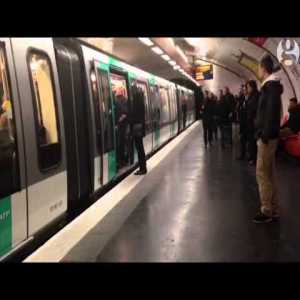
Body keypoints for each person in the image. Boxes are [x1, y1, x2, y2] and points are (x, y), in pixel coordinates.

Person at [253, 55, 283, 224]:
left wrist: (263, 135)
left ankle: (266, 210)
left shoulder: (270, 87)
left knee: (262, 173)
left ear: (264, 69)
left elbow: (271, 113)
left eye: (259, 68)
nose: (258, 71)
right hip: (270, 136)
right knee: (270, 173)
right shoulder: (272, 87)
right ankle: (274, 208)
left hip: (267, 138)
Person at [131, 86, 147, 175]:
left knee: (140, 149)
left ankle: (142, 169)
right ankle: (142, 168)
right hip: (140, 128)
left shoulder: (137, 102)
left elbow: (135, 116)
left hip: (137, 129)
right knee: (141, 149)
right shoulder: (141, 101)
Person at [246, 80, 260, 165]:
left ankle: (254, 158)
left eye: (248, 87)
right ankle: (252, 157)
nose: (247, 89)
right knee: (251, 140)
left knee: (253, 141)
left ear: (252, 87)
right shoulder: (252, 95)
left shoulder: (256, 96)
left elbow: (254, 109)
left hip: (254, 122)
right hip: (251, 122)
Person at [115, 88, 129, 169]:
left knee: (121, 144)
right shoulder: (123, 100)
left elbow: (124, 114)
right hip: (121, 126)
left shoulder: (121, 100)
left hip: (122, 126)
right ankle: (122, 161)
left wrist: (117, 123)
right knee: (121, 144)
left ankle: (122, 161)